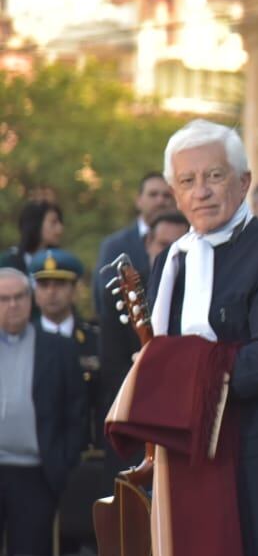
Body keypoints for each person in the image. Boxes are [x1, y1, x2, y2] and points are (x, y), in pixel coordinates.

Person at [143, 120, 258, 556]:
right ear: (174, 191)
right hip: (182, 458)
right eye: (187, 181)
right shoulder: (170, 262)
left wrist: (182, 374)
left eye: (214, 175)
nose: (202, 191)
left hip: (253, 456)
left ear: (244, 181)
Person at [0, 268, 87, 556]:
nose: (12, 305)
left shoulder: (59, 349)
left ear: (31, 299)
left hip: (36, 472)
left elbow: (77, 411)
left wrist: (63, 462)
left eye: (19, 297)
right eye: (4, 299)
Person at [94, 171, 177, 474]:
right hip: (133, 414)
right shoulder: (122, 261)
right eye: (153, 194)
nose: (168, 255)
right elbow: (113, 358)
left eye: (166, 194)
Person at [30, 248, 102, 447]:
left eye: (60, 284)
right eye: (44, 285)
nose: (51, 292)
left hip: (86, 450)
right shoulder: (25, 342)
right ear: (35, 292)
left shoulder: (95, 340)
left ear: (74, 290)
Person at [16, 200, 64, 269]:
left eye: (60, 222)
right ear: (36, 224)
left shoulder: (59, 262)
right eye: (53, 222)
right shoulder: (11, 262)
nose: (60, 229)